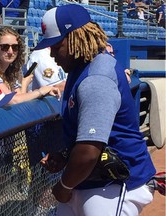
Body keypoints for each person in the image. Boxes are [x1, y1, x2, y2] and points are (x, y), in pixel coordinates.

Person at [36, 4, 156, 216]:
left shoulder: (96, 77)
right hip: (89, 179)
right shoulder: (80, 68)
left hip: (116, 184)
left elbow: (90, 150)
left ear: (75, 38)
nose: (52, 53)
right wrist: (66, 157)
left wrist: (63, 186)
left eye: (56, 45)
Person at [0, 26, 61, 105]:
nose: (10, 52)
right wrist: (40, 91)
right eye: (5, 47)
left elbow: (20, 100)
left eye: (15, 47)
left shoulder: (10, 72)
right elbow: (13, 101)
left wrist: (24, 84)